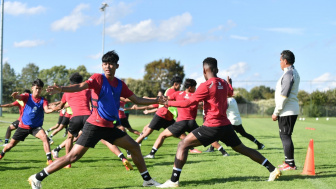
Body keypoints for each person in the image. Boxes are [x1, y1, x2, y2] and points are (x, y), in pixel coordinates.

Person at [28, 50, 161, 188]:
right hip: (94, 126)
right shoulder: (98, 78)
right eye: (105, 64)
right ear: (102, 66)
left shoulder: (120, 84)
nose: (107, 66)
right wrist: (61, 89)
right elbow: (81, 86)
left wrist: (157, 100)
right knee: (72, 157)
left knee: (134, 146)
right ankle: (37, 178)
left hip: (109, 127)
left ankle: (148, 180)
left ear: (117, 66)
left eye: (111, 64)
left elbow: (137, 99)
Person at [157, 57, 281, 188]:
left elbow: (189, 102)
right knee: (242, 148)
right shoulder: (223, 82)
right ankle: (272, 169)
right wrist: (229, 84)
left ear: (204, 70)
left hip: (212, 126)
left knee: (182, 145)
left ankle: (173, 181)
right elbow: (231, 93)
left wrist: (167, 102)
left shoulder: (205, 85)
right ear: (217, 70)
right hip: (226, 126)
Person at [0, 79, 55, 165]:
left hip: (35, 127)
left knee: (44, 137)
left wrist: (53, 109)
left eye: (40, 88)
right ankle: (1, 154)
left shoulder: (43, 100)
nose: (38, 90)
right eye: (36, 88)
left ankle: (49, 160)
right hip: (23, 126)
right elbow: (18, 97)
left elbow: (47, 110)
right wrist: (15, 96)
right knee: (10, 145)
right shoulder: (27, 96)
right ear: (32, 88)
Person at [143, 79, 202, 159]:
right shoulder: (195, 96)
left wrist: (148, 99)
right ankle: (222, 150)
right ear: (190, 87)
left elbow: (164, 98)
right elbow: (202, 103)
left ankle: (151, 154)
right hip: (192, 122)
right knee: (207, 135)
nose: (195, 89)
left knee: (162, 135)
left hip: (181, 123)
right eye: (195, 87)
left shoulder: (178, 94)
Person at [272, 50, 300, 171]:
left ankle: (290, 164)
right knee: (285, 135)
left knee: (285, 135)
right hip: (289, 110)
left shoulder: (289, 74)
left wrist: (276, 112)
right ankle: (288, 161)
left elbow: (284, 95)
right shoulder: (292, 72)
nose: (279, 63)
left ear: (285, 61)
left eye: (280, 60)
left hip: (287, 110)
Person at [135, 77, 182, 145]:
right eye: (180, 85)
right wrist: (148, 99)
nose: (180, 87)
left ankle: (191, 148)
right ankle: (132, 147)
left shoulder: (170, 90)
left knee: (179, 132)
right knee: (147, 132)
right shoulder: (172, 91)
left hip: (168, 116)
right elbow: (160, 99)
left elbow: (160, 99)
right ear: (175, 84)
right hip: (162, 114)